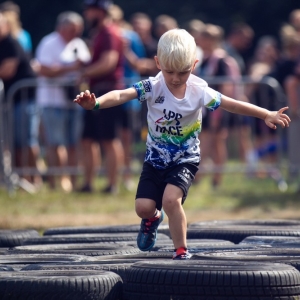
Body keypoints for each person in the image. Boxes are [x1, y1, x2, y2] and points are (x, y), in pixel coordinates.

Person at [74, 29, 291, 259]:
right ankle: (153, 219)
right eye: (169, 72)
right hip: (155, 159)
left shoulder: (199, 90)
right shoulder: (152, 86)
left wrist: (266, 113)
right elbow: (120, 95)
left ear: (194, 65)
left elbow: (233, 104)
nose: (176, 78)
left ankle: (181, 249)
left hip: (185, 160)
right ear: (158, 63)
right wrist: (96, 103)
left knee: (170, 200)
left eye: (183, 72)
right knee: (143, 208)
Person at [35, 11, 91, 191]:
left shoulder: (79, 44)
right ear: (62, 28)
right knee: (55, 143)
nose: (76, 33)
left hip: (75, 102)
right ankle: (56, 181)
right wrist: (71, 68)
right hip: (52, 102)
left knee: (74, 144)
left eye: (78, 30)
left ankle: (72, 182)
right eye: (73, 30)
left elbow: (85, 68)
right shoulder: (48, 43)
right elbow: (43, 69)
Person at [79, 0, 124, 194]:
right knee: (88, 140)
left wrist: (84, 72)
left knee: (109, 140)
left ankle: (112, 184)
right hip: (97, 91)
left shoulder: (109, 33)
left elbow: (109, 62)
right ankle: (88, 183)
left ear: (99, 12)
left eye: (90, 11)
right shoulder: (99, 34)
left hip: (107, 92)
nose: (87, 15)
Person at [0, 12, 41, 188]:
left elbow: (7, 71)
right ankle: (22, 178)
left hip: (24, 99)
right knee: (15, 142)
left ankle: (34, 178)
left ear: (7, 26)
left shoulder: (10, 43)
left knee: (26, 140)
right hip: (12, 100)